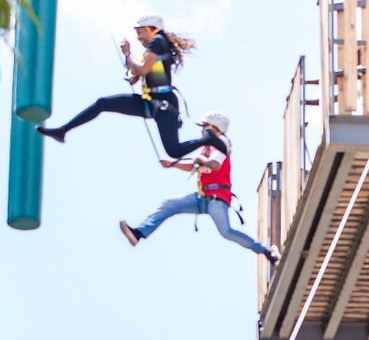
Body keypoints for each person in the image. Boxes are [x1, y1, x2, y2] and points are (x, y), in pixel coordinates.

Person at [36, 15, 227, 159]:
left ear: (152, 29)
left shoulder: (158, 41)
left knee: (173, 151)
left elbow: (143, 70)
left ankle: (208, 138)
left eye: (140, 32)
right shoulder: (151, 49)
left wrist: (128, 55)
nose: (138, 38)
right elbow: (139, 75)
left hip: (164, 104)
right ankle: (63, 131)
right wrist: (131, 71)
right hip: (150, 102)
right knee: (102, 103)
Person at [118, 111, 280, 265]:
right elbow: (193, 166)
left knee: (226, 231)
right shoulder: (207, 148)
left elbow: (214, 165)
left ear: (214, 127)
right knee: (170, 204)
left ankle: (266, 251)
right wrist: (173, 164)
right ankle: (139, 233)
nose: (202, 130)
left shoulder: (222, 142)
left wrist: (199, 159)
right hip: (203, 196)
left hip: (217, 196)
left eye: (205, 126)